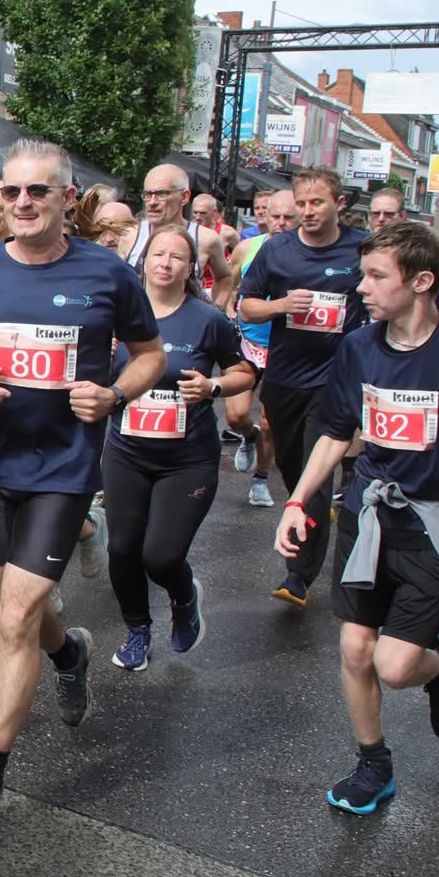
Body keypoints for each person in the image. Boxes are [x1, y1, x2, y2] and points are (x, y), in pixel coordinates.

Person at [0, 140, 164, 828]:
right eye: (12, 193)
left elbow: (150, 354)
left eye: (37, 192)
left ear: (67, 199)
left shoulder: (108, 272)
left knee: (13, 615)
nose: (22, 203)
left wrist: (114, 393)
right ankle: (71, 650)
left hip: (63, 469)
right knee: (17, 606)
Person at [276, 221, 439, 813]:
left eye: (377, 276)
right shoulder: (357, 347)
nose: (362, 287)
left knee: (397, 664)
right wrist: (297, 501)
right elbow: (336, 434)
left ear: (423, 281)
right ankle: (372, 764)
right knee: (356, 650)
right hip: (368, 513)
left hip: (437, 525)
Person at [103, 227, 256, 671]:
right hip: (125, 450)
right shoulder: (117, 315)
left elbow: (244, 373)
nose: (166, 263)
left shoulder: (207, 319)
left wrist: (213, 387)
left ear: (193, 268)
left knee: (162, 555)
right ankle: (137, 629)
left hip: (186, 458)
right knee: (122, 549)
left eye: (177, 257)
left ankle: (184, 594)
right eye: (158, 254)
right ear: (144, 260)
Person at [238, 166, 369, 607]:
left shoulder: (360, 249)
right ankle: (308, 523)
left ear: (339, 204)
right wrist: (280, 305)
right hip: (284, 378)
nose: (309, 212)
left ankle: (299, 575)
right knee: (294, 471)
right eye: (303, 204)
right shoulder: (277, 250)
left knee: (314, 478)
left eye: (318, 203)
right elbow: (248, 308)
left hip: (335, 382)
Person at [226, 188, 297, 506]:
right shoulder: (247, 247)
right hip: (249, 342)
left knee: (271, 421)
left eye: (288, 217)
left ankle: (260, 480)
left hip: (285, 348)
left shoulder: (305, 254)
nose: (281, 223)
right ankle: (248, 435)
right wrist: (229, 308)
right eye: (275, 216)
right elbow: (229, 282)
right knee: (236, 416)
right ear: (265, 217)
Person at [124, 163, 235, 308]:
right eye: (147, 195)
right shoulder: (129, 236)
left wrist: (216, 311)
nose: (152, 202)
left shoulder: (206, 239)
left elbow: (225, 277)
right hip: (138, 325)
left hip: (185, 324)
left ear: (184, 196)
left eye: (161, 194)